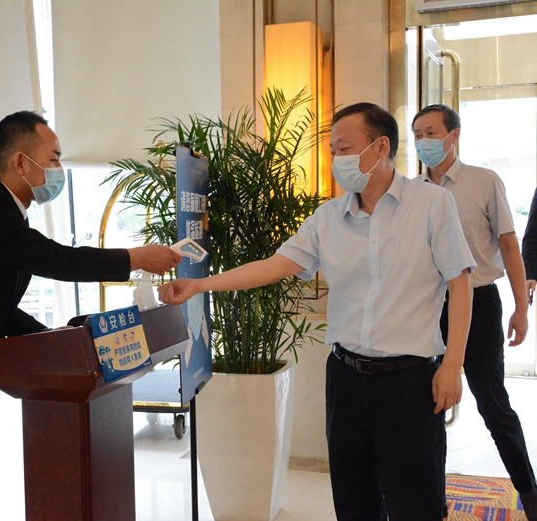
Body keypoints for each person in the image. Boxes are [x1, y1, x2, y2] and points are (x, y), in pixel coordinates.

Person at [159, 102, 475, 521]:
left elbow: (459, 283)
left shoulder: (432, 204)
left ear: (381, 147)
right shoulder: (328, 217)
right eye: (332, 150)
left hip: (409, 381)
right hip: (346, 380)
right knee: (353, 500)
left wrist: (452, 365)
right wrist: (200, 284)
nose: (336, 159)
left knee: (415, 503)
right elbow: (275, 265)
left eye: (345, 148)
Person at [0, 110, 181, 521]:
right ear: (21, 162)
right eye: (53, 158)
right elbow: (58, 260)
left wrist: (53, 337)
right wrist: (135, 257)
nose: (59, 169)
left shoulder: (6, 216)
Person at [412, 103, 537, 520]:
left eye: (431, 133)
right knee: (429, 408)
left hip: (480, 303)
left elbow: (509, 245)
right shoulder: (412, 191)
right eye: (417, 135)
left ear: (454, 135)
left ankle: (530, 493)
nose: (423, 142)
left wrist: (521, 308)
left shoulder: (484, 181)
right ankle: (432, 501)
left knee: (493, 404)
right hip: (429, 307)